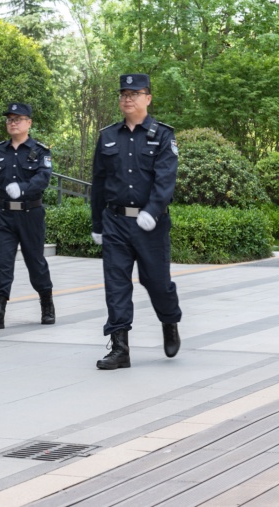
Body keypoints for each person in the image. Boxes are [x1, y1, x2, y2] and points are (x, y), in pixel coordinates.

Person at [90, 73, 182, 370]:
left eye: (134, 93)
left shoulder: (163, 135)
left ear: (148, 98)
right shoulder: (108, 136)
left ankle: (169, 320)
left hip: (151, 225)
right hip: (115, 221)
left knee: (156, 282)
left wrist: (152, 211)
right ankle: (120, 348)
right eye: (123, 94)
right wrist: (97, 224)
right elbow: (99, 183)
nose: (127, 98)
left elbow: (166, 178)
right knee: (116, 283)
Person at [0, 102, 55, 329]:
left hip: (30, 214)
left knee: (35, 262)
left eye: (17, 119)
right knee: (2, 264)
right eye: (9, 119)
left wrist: (23, 189)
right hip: (4, 215)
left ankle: (46, 302)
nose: (13, 123)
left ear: (29, 123)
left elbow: (43, 178)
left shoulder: (40, 151)